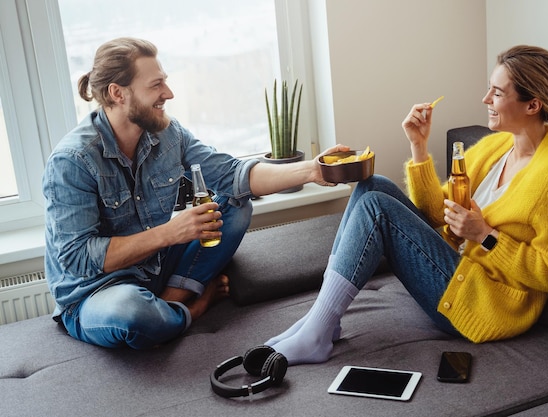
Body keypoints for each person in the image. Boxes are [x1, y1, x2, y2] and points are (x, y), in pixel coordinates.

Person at [265, 45, 548, 365]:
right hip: (457, 269)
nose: (485, 100)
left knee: (377, 207)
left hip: (483, 304)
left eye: (496, 93)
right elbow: (437, 213)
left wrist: (485, 236)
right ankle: (322, 320)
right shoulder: (496, 147)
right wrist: (418, 146)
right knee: (372, 186)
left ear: (532, 105)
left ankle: (317, 332)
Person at [43, 37, 346, 349]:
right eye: (156, 85)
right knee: (132, 313)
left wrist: (312, 170)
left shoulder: (167, 133)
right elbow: (77, 259)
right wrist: (169, 233)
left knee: (235, 202)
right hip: (98, 291)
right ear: (118, 93)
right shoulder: (73, 161)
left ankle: (169, 298)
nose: (168, 94)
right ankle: (189, 308)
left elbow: (233, 175)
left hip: (155, 266)